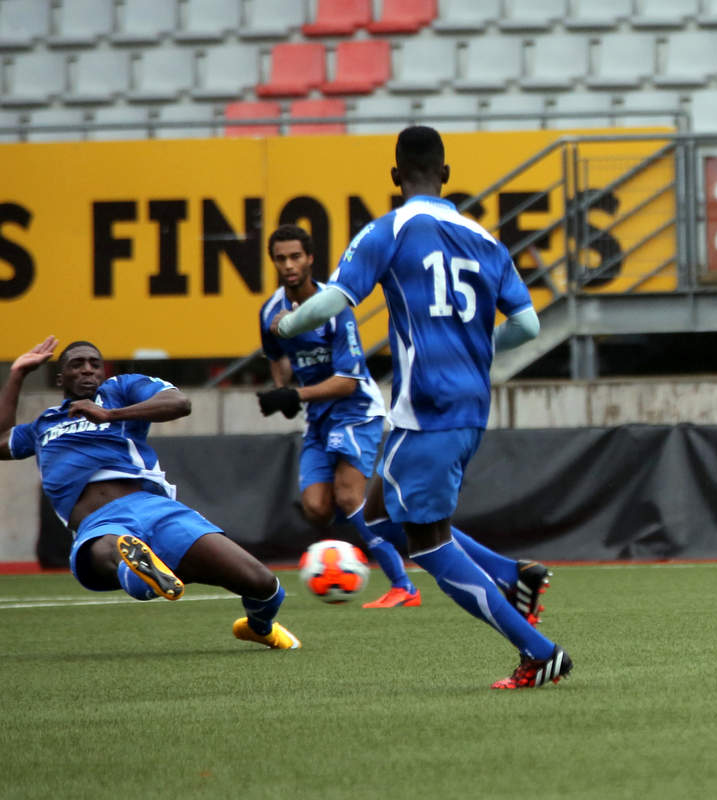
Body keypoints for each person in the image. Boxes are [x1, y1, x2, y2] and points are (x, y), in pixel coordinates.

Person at [270, 125, 570, 688]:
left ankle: (539, 652)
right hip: (468, 404)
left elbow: (336, 299)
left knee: (428, 545)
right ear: (448, 176)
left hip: (427, 408)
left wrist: (288, 323)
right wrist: (482, 351)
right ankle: (514, 576)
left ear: (394, 176)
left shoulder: (390, 230)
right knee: (382, 513)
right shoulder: (485, 238)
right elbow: (527, 325)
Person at [0, 337, 300, 649]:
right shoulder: (43, 425)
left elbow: (180, 403)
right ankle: (138, 572)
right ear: (61, 377)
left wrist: (111, 415)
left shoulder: (120, 391)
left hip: (154, 509)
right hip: (99, 523)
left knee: (264, 585)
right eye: (77, 364)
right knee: (112, 548)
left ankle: (258, 626)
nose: (88, 370)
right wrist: (18, 374)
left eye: (95, 364)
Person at [257, 223, 421, 609]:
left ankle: (404, 585)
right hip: (318, 415)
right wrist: (283, 393)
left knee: (349, 497)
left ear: (310, 258)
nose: (289, 265)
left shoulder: (334, 308)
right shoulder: (270, 311)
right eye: (281, 258)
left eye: (296, 256)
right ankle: (396, 532)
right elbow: (277, 356)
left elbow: (347, 382)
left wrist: (293, 393)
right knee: (316, 506)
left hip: (355, 409)